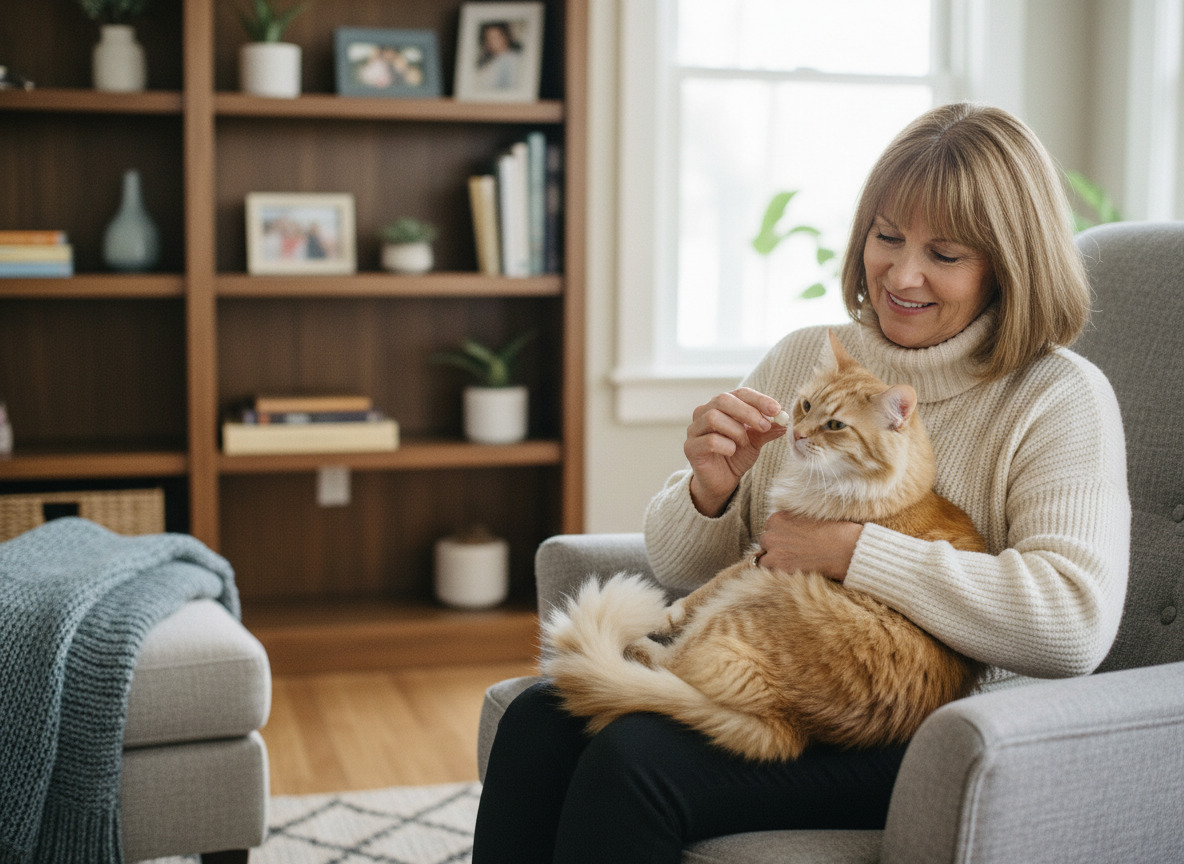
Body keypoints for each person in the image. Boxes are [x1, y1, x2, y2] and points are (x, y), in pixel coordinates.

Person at [471, 102, 1130, 863]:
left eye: (945, 254)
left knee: (633, 767)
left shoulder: (1059, 397)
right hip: (787, 667)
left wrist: (850, 551)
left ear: (1009, 265)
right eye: (887, 237)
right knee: (541, 719)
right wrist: (708, 490)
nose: (902, 273)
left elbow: (1073, 622)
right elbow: (683, 565)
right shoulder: (809, 359)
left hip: (945, 724)